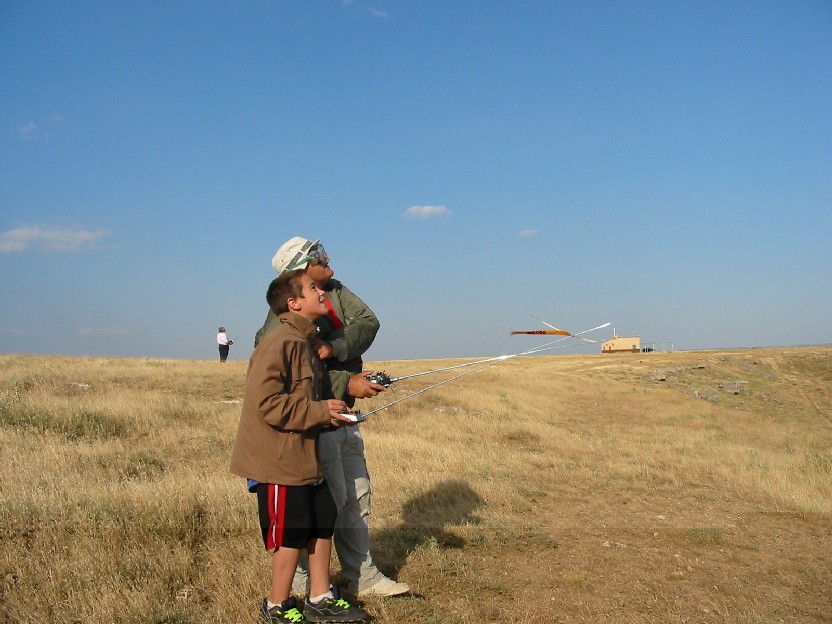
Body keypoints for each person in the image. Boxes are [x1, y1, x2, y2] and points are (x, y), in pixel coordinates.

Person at [255, 237, 410, 598]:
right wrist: (345, 381)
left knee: (357, 497)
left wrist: (337, 349)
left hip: (343, 416)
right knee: (319, 507)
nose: (329, 261)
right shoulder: (282, 324)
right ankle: (304, 586)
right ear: (299, 271)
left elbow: (368, 322)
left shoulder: (335, 289)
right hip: (315, 424)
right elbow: (290, 379)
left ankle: (363, 578)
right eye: (319, 258)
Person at [230, 270, 369, 624]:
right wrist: (320, 410)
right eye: (312, 288)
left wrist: (334, 412)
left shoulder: (306, 342)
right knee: (291, 534)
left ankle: (320, 597)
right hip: (278, 459)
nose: (321, 291)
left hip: (306, 455)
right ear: (293, 303)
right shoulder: (279, 343)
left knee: (323, 521)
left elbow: (308, 399)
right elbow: (267, 404)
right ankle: (276, 606)